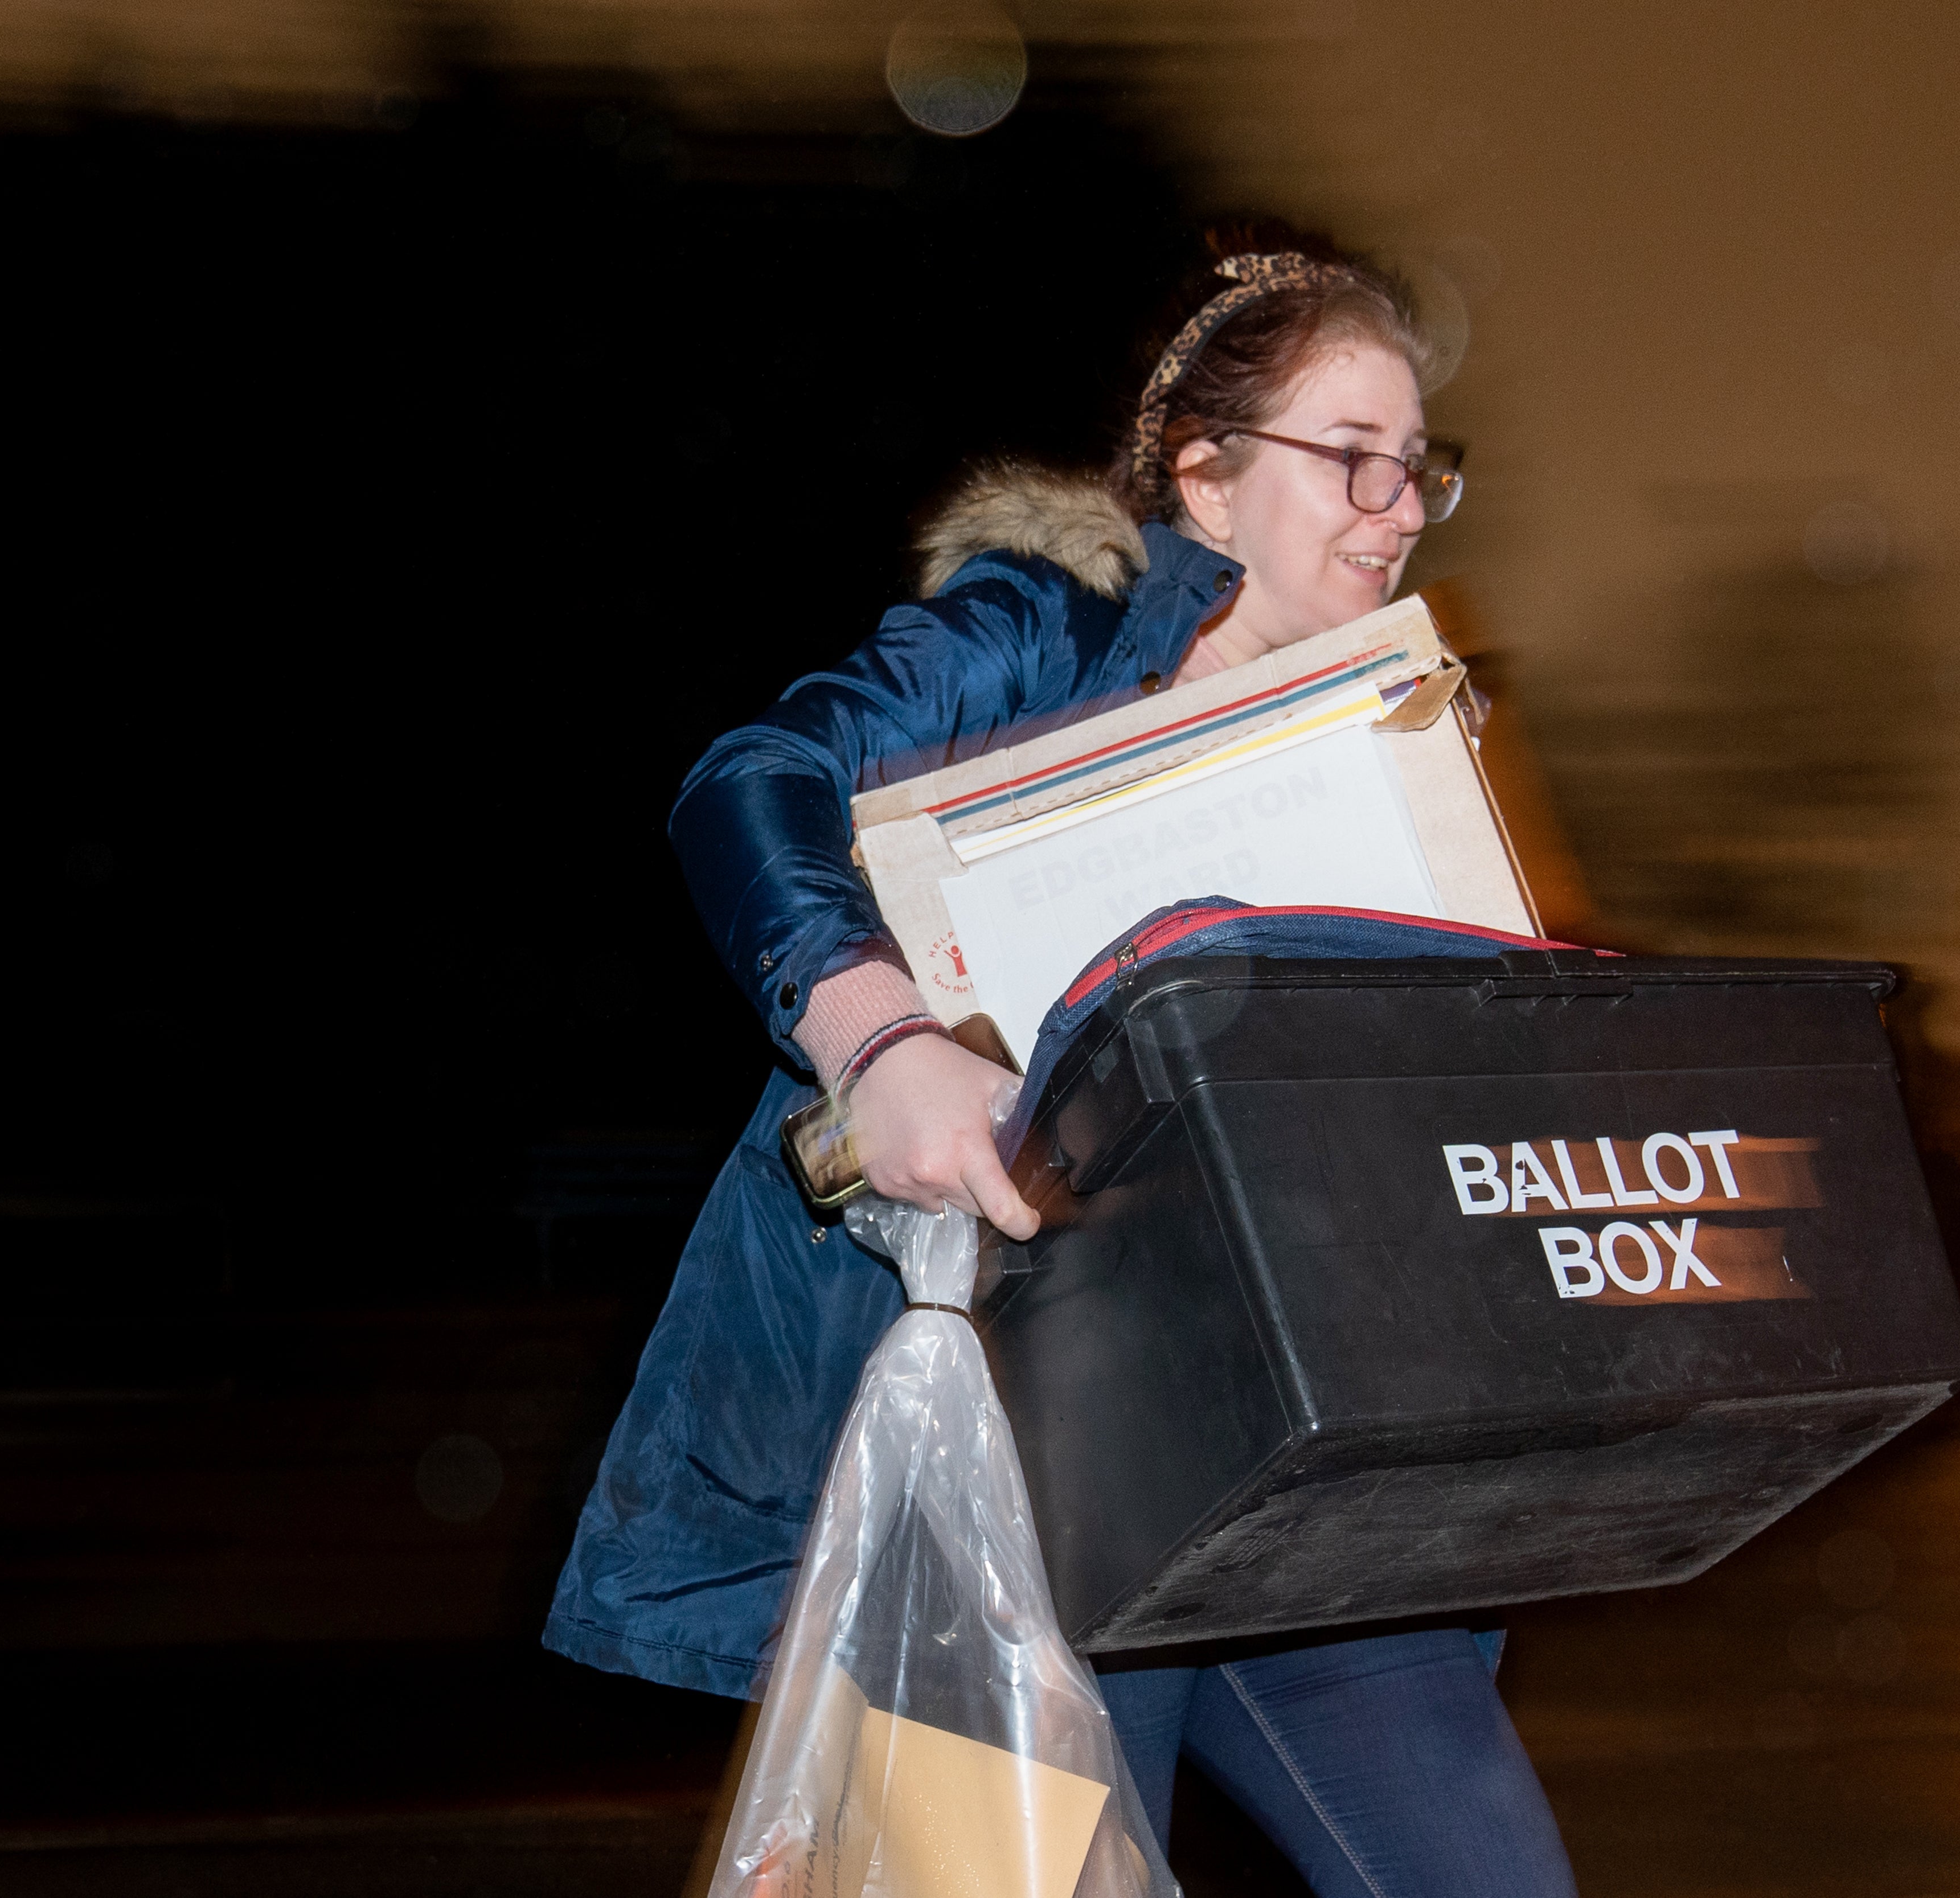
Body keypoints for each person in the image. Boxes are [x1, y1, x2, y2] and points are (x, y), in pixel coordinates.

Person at [546, 231, 1578, 1896]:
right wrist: (879, 1039)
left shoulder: (1397, 755)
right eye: (1352, 458)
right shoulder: (1054, 627)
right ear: (1209, 482)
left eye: (1418, 472)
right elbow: (746, 785)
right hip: (1022, 1471)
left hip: (1278, 1474)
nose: (1397, 506)